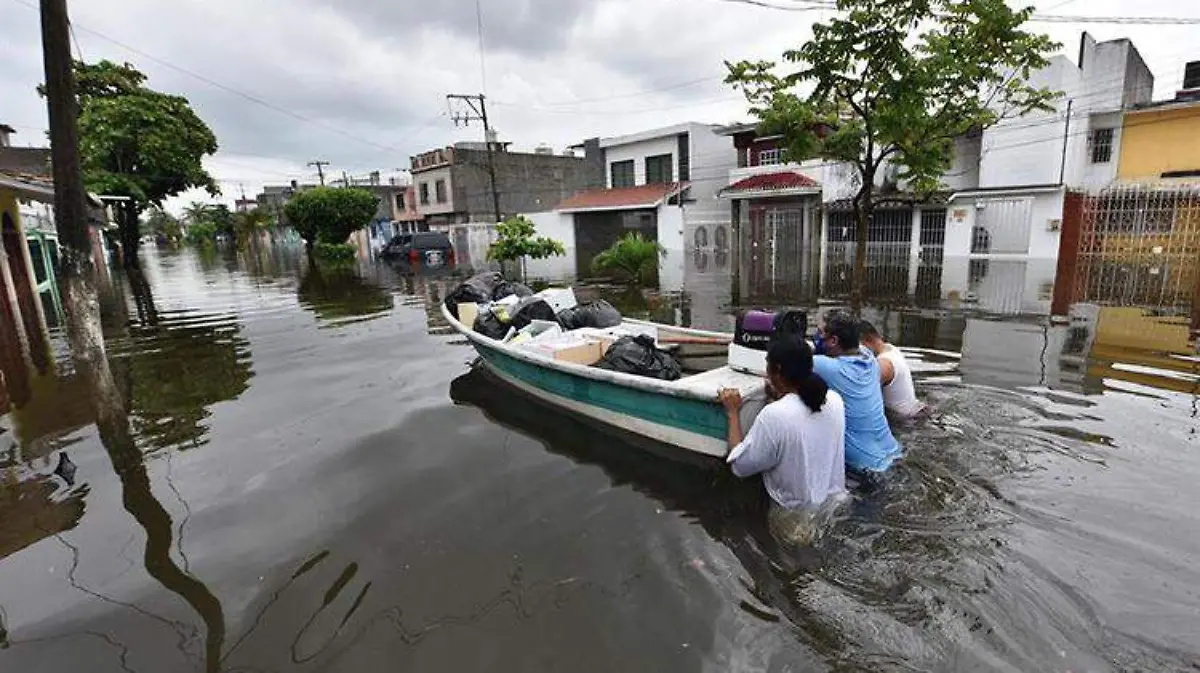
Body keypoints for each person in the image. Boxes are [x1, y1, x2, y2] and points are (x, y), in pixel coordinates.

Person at [719, 338, 847, 543]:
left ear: (776, 370)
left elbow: (739, 467)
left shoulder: (774, 415)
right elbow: (803, 420)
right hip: (837, 507)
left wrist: (733, 413)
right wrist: (780, 395)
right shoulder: (834, 400)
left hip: (796, 522)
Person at [811, 310, 903, 474]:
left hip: (865, 467)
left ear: (833, 340)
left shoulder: (825, 366)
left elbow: (783, 367)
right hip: (894, 450)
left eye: (820, 333)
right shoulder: (869, 359)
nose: (817, 337)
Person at [859, 320, 926, 419]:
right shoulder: (890, 349)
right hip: (916, 411)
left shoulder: (884, 364)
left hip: (904, 421)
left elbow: (859, 392)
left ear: (865, 341)